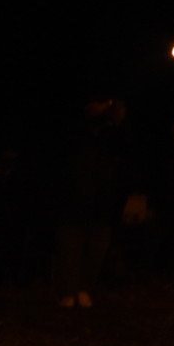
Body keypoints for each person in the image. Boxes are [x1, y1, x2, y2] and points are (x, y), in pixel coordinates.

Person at [54, 95, 126, 309]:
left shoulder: (110, 132)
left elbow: (123, 148)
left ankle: (84, 288)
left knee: (96, 248)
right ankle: (66, 291)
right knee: (70, 247)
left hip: (101, 201)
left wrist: (116, 120)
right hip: (74, 199)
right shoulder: (76, 130)